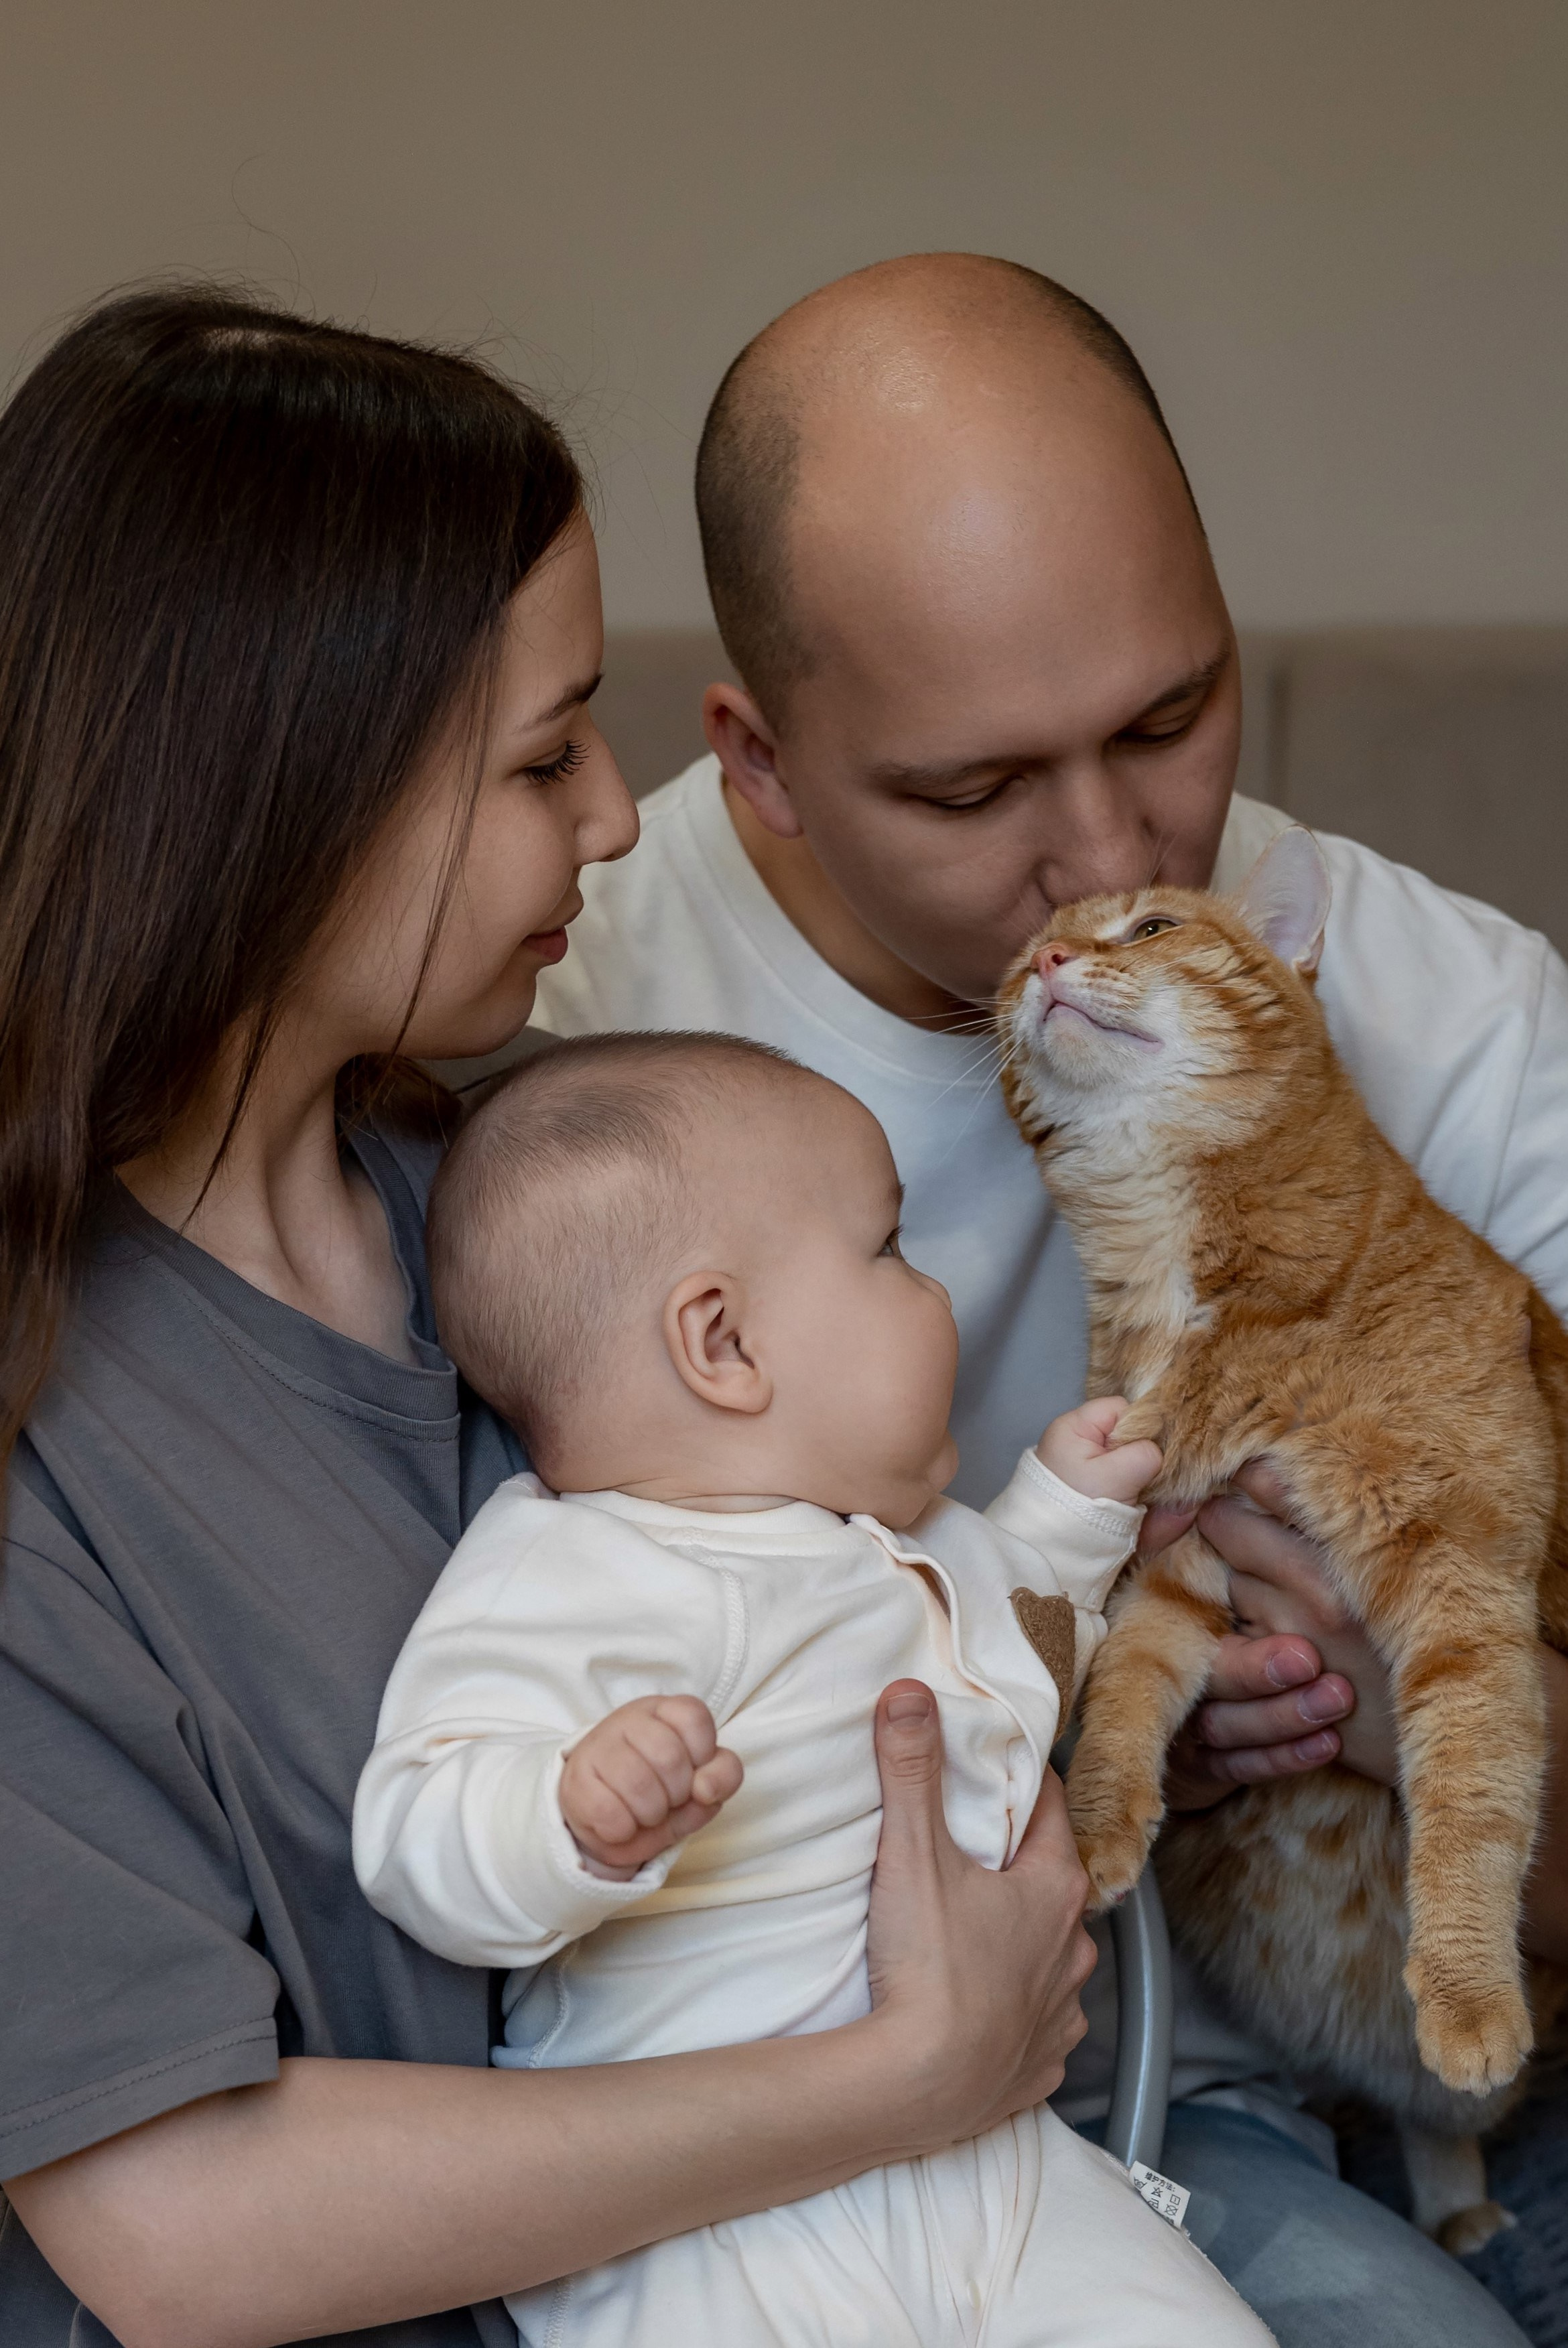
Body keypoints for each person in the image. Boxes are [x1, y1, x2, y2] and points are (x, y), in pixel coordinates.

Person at [0, 287, 1100, 2348]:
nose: (613, 819)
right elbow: (177, 2229)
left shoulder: (522, 1216)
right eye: (541, 754)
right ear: (281, 792)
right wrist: (897, 2079)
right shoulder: (42, 1439)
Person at [532, 251, 1568, 2344]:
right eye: (969, 790)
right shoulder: (560, 1031)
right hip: (819, 2108)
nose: (1106, 861)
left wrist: (1411, 1704)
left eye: (1170, 719)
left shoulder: (1443, 1012)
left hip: (1324, 2035)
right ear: (757, 764)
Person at [354, 1030, 1270, 2348]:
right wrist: (564, 1816)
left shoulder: (900, 1546)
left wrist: (1071, 1513)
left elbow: (1014, 1655)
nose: (934, 1285)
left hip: (993, 2169)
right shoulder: (581, 1570)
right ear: (723, 1342)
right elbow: (414, 1831)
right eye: (890, 1249)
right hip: (708, 2223)